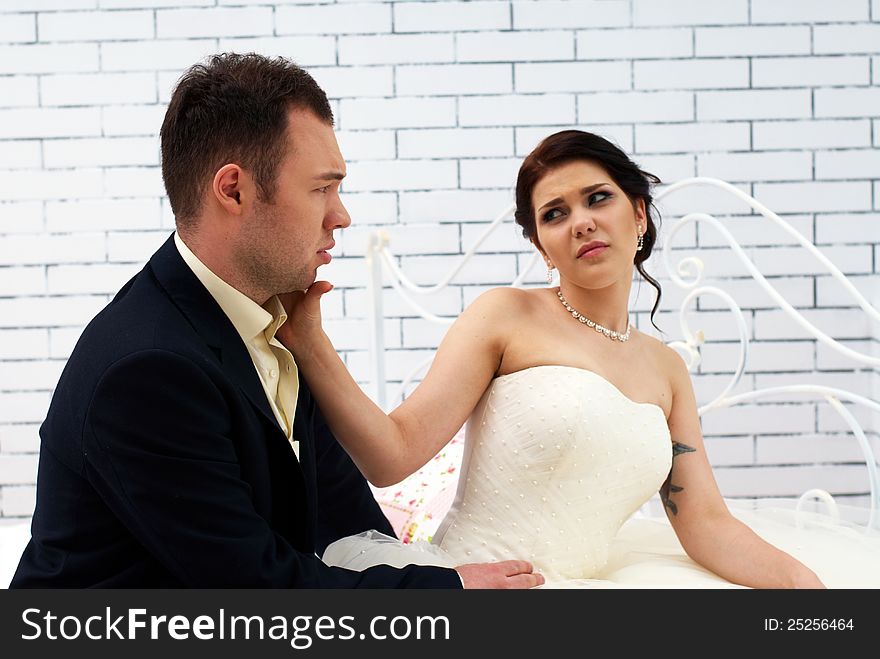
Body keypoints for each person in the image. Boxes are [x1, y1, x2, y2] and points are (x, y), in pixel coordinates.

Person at [10, 53, 543, 589]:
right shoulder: (150, 367)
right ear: (234, 190)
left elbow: (346, 519)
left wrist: (430, 574)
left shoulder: (271, 323)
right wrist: (452, 593)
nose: (342, 215)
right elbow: (258, 590)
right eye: (321, 188)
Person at [278, 129, 880, 588]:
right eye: (555, 213)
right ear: (541, 244)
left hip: (590, 587)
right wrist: (310, 340)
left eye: (599, 199)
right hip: (482, 586)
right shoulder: (504, 316)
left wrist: (807, 586)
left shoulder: (666, 368)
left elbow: (704, 523)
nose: (582, 223)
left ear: (638, 213)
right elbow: (392, 453)